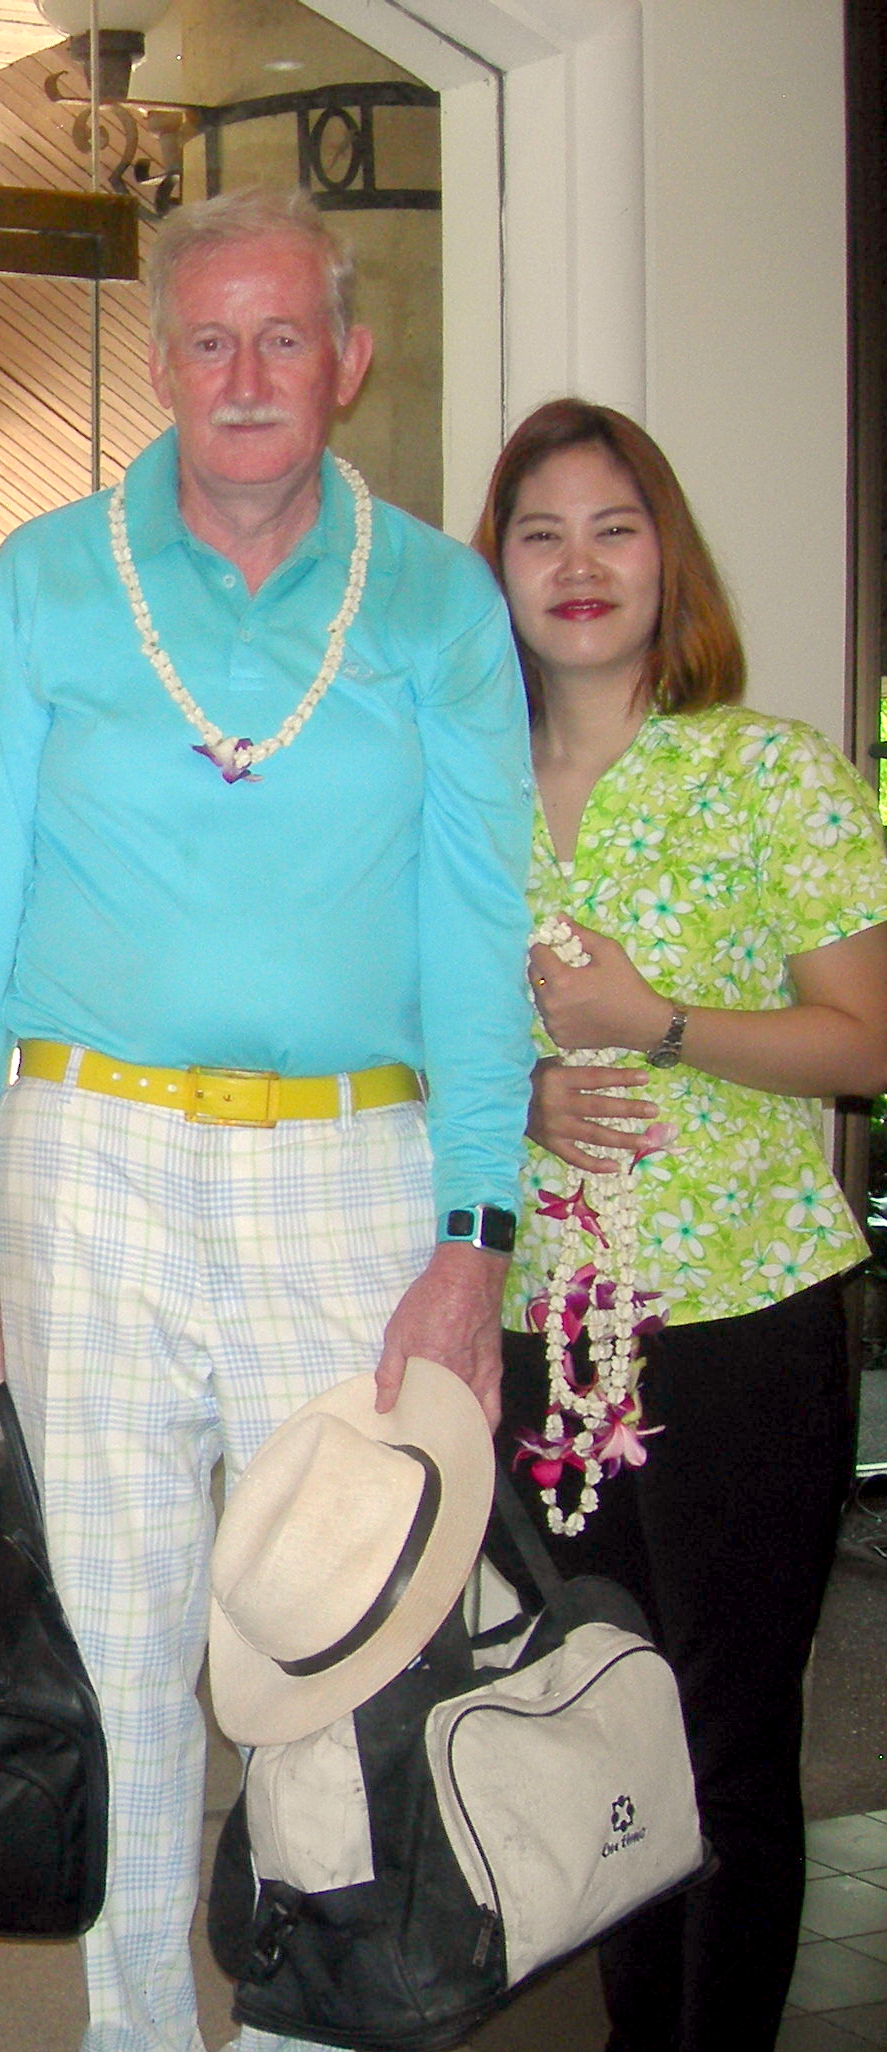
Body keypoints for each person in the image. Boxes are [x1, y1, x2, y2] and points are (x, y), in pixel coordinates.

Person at [0, 186, 535, 2052]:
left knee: (339, 1638)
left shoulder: (434, 597)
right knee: (116, 1642)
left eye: (286, 340)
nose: (248, 377)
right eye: (210, 341)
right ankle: (128, 2033)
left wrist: (474, 1236)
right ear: (165, 365)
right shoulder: (43, 575)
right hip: (89, 1157)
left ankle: (304, 2024)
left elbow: (477, 931)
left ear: (347, 362)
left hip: (356, 1171)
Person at [476, 398, 887, 2050]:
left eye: (614, 529)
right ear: (494, 569)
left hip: (743, 1327)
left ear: (669, 559)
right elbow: (407, 1029)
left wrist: (656, 1025)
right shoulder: (462, 790)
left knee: (725, 1740)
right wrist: (521, 1095)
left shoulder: (772, 769)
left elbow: (868, 1041)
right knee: (597, 1735)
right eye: (539, 533)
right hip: (538, 1332)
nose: (578, 566)